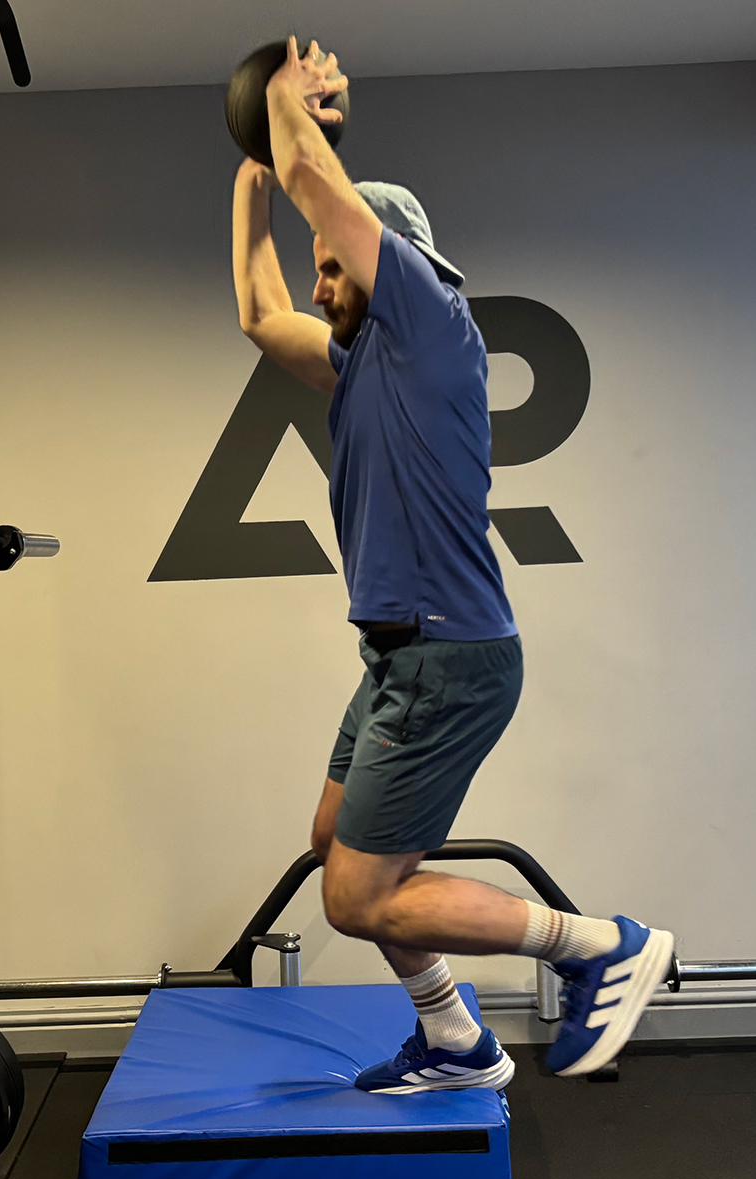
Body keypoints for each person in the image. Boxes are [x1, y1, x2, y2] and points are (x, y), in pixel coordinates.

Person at [229, 39, 674, 1091]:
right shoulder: (355, 366)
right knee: (339, 839)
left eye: (333, 261)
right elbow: (255, 313)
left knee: (356, 895)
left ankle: (599, 943)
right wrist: (252, 178)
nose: (317, 276)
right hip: (395, 658)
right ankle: (453, 1040)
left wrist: (292, 114)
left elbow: (316, 181)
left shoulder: (429, 321)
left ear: (389, 258)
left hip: (446, 657)